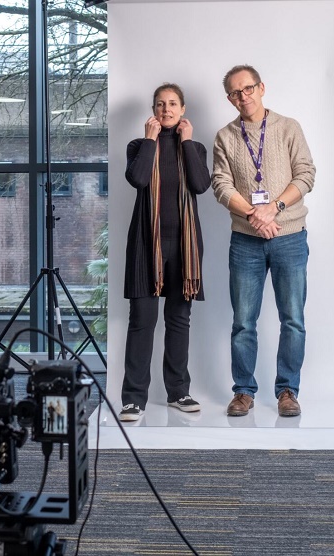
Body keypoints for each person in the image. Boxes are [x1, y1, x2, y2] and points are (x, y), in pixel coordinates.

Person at [211, 65, 316, 417]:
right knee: (243, 322)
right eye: (236, 92)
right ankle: (243, 391)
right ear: (229, 98)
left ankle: (288, 390)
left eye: (249, 88)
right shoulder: (224, 136)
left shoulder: (289, 127)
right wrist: (255, 216)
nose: (244, 96)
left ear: (262, 87)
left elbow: (306, 175)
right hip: (245, 241)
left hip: (290, 237)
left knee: (293, 320)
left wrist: (274, 207)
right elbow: (221, 186)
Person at [118, 83, 211, 422]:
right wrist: (149, 140)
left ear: (183, 109)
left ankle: (178, 392)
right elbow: (139, 180)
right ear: (153, 110)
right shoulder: (139, 146)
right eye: (160, 104)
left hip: (184, 247)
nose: (166, 109)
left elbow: (201, 185)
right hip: (147, 246)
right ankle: (133, 398)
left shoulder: (195, 148)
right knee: (142, 321)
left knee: (179, 320)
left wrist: (185, 142)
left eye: (173, 104)